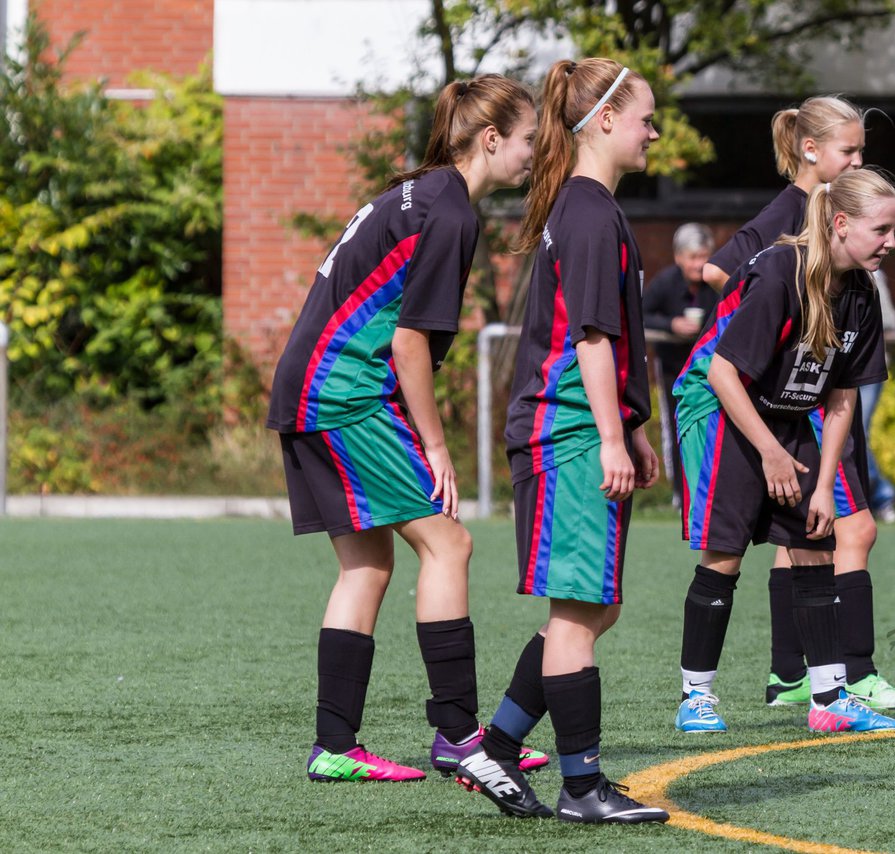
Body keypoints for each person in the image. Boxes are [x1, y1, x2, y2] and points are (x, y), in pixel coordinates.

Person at [265, 75, 549, 782]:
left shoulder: (422, 192)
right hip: (344, 394)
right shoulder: (449, 213)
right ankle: (457, 736)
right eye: (528, 143)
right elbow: (408, 343)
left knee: (367, 563)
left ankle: (335, 746)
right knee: (448, 543)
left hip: (311, 386)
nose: (534, 158)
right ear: (491, 140)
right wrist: (436, 443)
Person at [454, 57, 669, 825]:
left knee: (593, 611)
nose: (654, 130)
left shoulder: (590, 209)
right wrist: (612, 437)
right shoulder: (585, 211)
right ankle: (583, 786)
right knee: (579, 614)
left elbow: (605, 337)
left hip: (586, 431)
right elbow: (588, 339)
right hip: (567, 435)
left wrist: (632, 430)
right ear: (604, 120)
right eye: (645, 116)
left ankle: (501, 748)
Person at [672, 169, 895, 734]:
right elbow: (723, 371)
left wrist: (827, 483)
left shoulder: (860, 291)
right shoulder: (782, 270)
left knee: (816, 543)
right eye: (882, 229)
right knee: (724, 555)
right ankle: (696, 695)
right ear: (840, 224)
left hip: (789, 420)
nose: (891, 241)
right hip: (727, 416)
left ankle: (829, 700)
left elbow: (842, 396)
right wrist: (769, 452)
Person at [642, 223, 720, 508]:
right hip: (673, 369)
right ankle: (680, 495)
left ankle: (710, 492)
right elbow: (640, 314)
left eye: (704, 256)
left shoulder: (716, 282)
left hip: (711, 371)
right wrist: (671, 325)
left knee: (712, 430)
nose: (700, 264)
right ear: (678, 257)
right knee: (675, 428)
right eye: (693, 257)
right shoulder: (665, 283)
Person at [861, 274, 895, 521]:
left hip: (866, 370)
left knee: (855, 434)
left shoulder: (872, 274)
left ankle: (880, 497)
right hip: (832, 369)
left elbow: (888, 321)